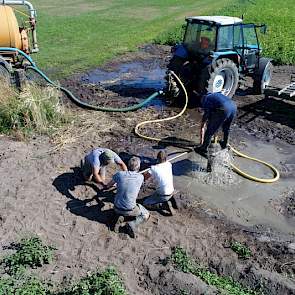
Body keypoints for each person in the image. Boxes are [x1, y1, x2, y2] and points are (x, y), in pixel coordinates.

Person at [104, 156, 149, 238]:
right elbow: (141, 184)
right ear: (138, 167)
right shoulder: (140, 177)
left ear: (128, 166)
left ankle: (120, 217)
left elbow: (108, 185)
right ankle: (132, 224)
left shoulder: (119, 174)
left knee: (122, 206)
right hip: (130, 209)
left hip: (116, 207)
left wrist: (108, 187)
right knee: (145, 214)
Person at [143, 151, 176, 215]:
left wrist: (144, 174)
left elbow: (146, 177)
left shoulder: (154, 168)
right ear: (166, 158)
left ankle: (163, 205)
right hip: (171, 191)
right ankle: (170, 200)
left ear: (157, 159)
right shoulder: (169, 164)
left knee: (145, 203)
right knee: (156, 192)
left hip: (163, 194)